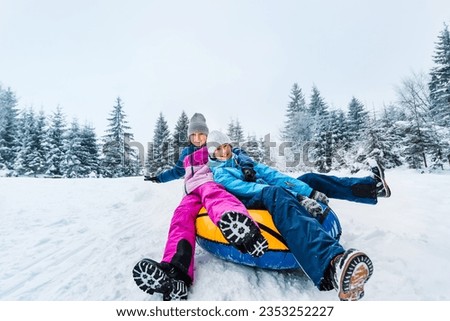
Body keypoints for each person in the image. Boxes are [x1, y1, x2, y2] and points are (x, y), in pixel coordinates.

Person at [206, 130, 378, 300]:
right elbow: (250, 189)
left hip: (272, 190)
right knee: (276, 193)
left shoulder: (243, 162)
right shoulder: (220, 174)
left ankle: (369, 188)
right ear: (212, 154)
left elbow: (273, 176)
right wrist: (298, 197)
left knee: (310, 178)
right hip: (253, 199)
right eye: (218, 149)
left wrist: (308, 191)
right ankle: (333, 263)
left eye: (226, 146)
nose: (224, 152)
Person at [132, 114, 268, 301]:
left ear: (206, 134)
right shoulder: (185, 154)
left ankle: (243, 228)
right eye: (193, 135)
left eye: (201, 134)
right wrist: (158, 178)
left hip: (209, 184)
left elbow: (238, 153)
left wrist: (245, 168)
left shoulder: (213, 146)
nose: (197, 138)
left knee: (217, 199)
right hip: (190, 192)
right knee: (180, 218)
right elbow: (176, 172)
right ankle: (176, 272)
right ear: (189, 136)